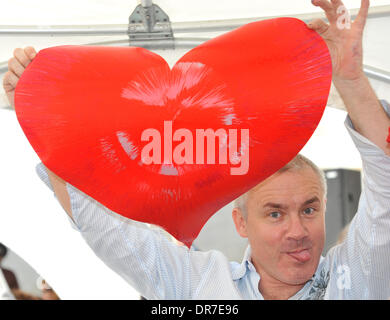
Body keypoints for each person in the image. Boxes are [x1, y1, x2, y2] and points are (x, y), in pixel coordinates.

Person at [3, 0, 390, 299]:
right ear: (241, 223)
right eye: (275, 214)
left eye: (310, 209)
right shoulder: (197, 284)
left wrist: (351, 79)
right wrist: (40, 112)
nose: (298, 231)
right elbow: (105, 228)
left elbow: (385, 185)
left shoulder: (355, 277)